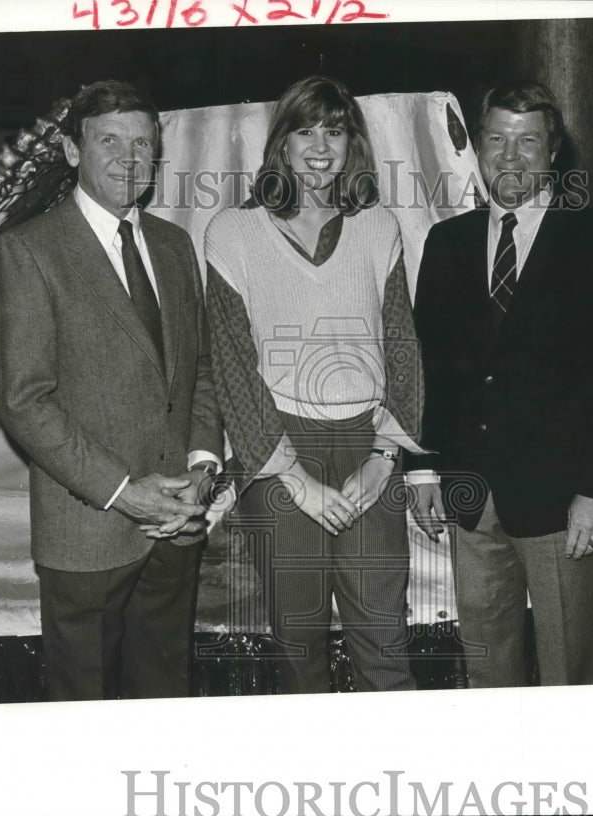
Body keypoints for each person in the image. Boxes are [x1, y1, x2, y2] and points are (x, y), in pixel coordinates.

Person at [408, 82, 593, 687]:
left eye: (528, 142)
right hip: (471, 495)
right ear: (479, 147)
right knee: (487, 665)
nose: (510, 157)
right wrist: (421, 468)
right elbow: (429, 365)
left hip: (563, 500)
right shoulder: (447, 243)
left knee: (569, 670)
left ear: (553, 153)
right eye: (497, 139)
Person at [0, 80, 223, 701]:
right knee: (86, 715)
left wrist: (202, 467)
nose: (129, 158)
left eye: (143, 143)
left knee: (163, 705)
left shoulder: (173, 246)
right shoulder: (28, 251)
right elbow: (24, 401)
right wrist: (124, 491)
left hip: (176, 527)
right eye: (110, 141)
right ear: (72, 151)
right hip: (88, 535)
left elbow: (197, 370)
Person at [202, 75, 423, 694]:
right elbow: (232, 366)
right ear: (281, 143)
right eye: (305, 130)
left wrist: (384, 461)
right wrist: (294, 479)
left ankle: (402, 783)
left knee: (383, 639)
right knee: (299, 646)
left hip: (367, 446)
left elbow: (403, 349)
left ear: (353, 142)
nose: (320, 147)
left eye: (335, 129)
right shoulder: (232, 233)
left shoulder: (379, 227)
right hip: (277, 449)